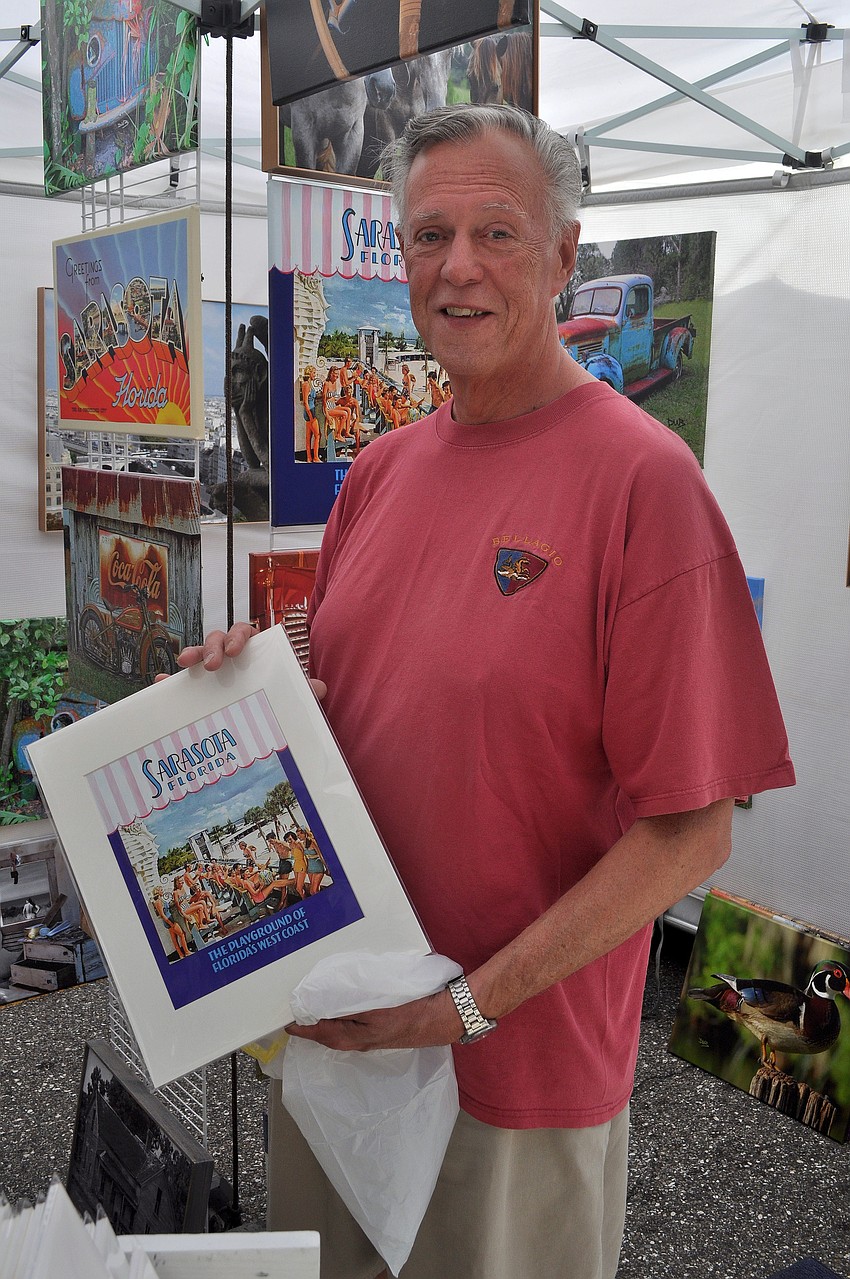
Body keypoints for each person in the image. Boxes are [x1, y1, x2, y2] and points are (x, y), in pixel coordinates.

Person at [175, 104, 794, 1279]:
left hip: (509, 1074)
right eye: (427, 235)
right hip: (338, 1035)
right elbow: (337, 674)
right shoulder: (382, 469)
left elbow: (692, 828)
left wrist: (462, 1006)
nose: (455, 267)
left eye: (496, 233)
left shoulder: (645, 485)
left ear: (565, 255)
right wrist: (234, 680)